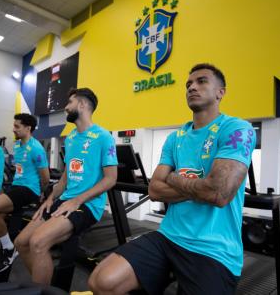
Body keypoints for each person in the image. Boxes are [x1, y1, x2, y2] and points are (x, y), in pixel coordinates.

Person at [89, 63, 256, 295]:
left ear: (221, 92)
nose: (192, 87)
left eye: (201, 81)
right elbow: (155, 189)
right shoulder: (175, 138)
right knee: (101, 281)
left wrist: (175, 178)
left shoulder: (237, 129)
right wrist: (201, 187)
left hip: (214, 249)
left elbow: (218, 193)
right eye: (188, 84)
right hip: (168, 236)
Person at [14, 88, 118, 285]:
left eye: (69, 102)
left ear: (82, 105)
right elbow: (66, 176)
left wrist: (77, 200)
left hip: (87, 205)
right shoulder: (70, 137)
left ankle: (42, 288)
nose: (65, 107)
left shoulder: (103, 136)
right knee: (22, 242)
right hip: (64, 200)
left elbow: (111, 179)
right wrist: (50, 198)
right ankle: (44, 284)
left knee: (38, 242)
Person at [0, 113, 50, 272]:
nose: (13, 129)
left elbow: (45, 177)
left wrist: (41, 194)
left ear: (28, 128)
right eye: (14, 126)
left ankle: (9, 247)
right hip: (16, 187)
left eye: (17, 126)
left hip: (28, 190)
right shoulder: (17, 145)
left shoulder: (36, 148)